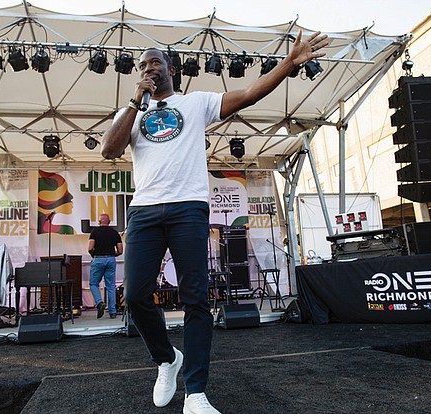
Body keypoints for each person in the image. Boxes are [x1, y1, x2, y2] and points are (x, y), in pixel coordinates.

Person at [101, 30, 328, 414]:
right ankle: (167, 359)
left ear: (171, 69)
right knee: (136, 296)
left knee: (195, 300)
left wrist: (289, 64)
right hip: (144, 211)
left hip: (187, 207)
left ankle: (195, 393)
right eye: (142, 66)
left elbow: (248, 94)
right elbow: (109, 149)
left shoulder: (195, 104)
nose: (147, 69)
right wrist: (133, 102)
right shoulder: (133, 114)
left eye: (154, 62)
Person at [87, 213, 123, 319]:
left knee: (93, 284)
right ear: (109, 221)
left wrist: (93, 255)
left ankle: (99, 302)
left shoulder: (94, 232)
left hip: (98, 259)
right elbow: (120, 250)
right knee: (111, 286)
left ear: (99, 221)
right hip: (111, 259)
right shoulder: (114, 233)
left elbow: (90, 248)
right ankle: (112, 311)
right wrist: (112, 255)